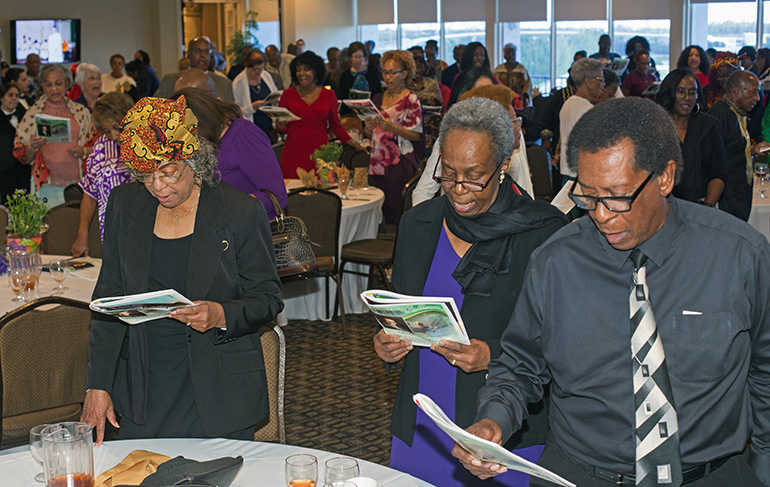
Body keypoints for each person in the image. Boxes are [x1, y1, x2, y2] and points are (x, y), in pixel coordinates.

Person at [453, 95, 770, 487]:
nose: (600, 215)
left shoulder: (738, 256)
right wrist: (493, 420)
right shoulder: (556, 262)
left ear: (665, 177)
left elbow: (765, 370)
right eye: (587, 196)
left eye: (617, 196)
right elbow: (520, 365)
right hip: (580, 473)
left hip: (709, 475)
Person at [376, 96, 566, 487]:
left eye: (474, 175)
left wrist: (491, 355)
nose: (459, 189)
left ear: (502, 167)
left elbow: (564, 339)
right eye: (448, 173)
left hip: (501, 426)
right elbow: (403, 310)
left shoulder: (544, 232)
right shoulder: (419, 223)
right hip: (423, 419)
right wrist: (386, 344)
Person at [81, 95, 284, 445]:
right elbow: (108, 301)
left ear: (194, 158)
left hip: (218, 388)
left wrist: (221, 313)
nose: (158, 186)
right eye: (146, 175)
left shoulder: (238, 212)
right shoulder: (124, 206)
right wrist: (97, 384)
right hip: (142, 384)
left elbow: (267, 298)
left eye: (168, 172)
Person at [171, 87, 287, 220]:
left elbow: (277, 196)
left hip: (255, 230)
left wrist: (225, 207)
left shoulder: (243, 134)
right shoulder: (204, 144)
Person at [413, 84, 534, 205]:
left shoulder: (517, 139)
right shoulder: (451, 142)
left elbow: (525, 187)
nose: (519, 126)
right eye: (514, 121)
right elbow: (422, 192)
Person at [15, 63, 93, 207]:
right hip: (46, 184)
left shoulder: (81, 112)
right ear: (43, 87)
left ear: (67, 84)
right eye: (48, 85)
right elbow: (23, 157)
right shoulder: (32, 114)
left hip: (79, 183)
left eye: (58, 83)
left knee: (74, 225)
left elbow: (96, 146)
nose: (54, 89)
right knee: (50, 227)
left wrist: (83, 151)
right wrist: (33, 146)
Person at [277, 50, 362, 179]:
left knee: (321, 194)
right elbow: (281, 129)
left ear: (316, 71)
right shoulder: (288, 95)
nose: (301, 74)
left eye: (306, 69)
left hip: (320, 153)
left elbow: (336, 126)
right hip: (294, 152)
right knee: (293, 194)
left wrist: (354, 144)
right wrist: (280, 124)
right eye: (298, 70)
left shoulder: (329, 95)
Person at [71, 92, 134, 256]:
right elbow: (90, 192)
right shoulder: (101, 147)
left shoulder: (149, 143)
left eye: (118, 128)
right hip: (111, 236)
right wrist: (82, 233)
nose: (114, 136)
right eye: (107, 130)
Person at [365, 50, 422, 225]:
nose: (387, 77)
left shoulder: (410, 99)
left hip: (399, 162)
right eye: (385, 72)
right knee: (380, 209)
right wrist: (368, 129)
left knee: (396, 209)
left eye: (392, 72)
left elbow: (416, 135)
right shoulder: (377, 97)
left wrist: (393, 128)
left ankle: (396, 248)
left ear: (404, 73)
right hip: (377, 161)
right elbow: (371, 134)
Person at [656, 68, 726, 207]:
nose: (687, 97)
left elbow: (719, 173)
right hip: (664, 207)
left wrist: (707, 207)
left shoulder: (708, 125)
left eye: (692, 92)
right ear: (669, 93)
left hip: (703, 206)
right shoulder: (657, 127)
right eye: (680, 91)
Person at [709, 70, 770, 221]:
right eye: (754, 92)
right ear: (736, 91)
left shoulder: (735, 113)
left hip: (736, 195)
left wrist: (753, 151)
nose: (757, 98)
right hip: (726, 198)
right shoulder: (720, 116)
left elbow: (732, 150)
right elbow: (716, 162)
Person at [559, 58, 604, 181]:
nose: (603, 84)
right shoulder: (586, 109)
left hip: (568, 171)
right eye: (600, 80)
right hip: (581, 175)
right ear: (588, 81)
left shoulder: (568, 103)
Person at [154, 37, 234, 103]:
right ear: (188, 54)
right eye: (197, 51)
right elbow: (157, 109)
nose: (202, 55)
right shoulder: (170, 80)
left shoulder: (224, 84)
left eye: (206, 52)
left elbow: (231, 115)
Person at [233, 50, 279, 138]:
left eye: (261, 68)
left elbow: (275, 92)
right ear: (247, 67)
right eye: (256, 69)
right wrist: (252, 107)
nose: (259, 72)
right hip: (251, 128)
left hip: (269, 127)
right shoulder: (238, 83)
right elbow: (236, 111)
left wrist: (275, 101)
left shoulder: (266, 75)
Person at [408, 52, 444, 153]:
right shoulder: (403, 86)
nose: (417, 70)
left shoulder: (431, 83)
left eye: (420, 67)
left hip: (430, 127)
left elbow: (441, 106)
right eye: (415, 68)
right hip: (410, 129)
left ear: (424, 68)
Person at [0, 84, 29, 202]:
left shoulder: (24, 115)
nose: (14, 98)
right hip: (4, 170)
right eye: (10, 95)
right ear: (1, 98)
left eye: (17, 96)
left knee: (25, 204)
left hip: (23, 168)